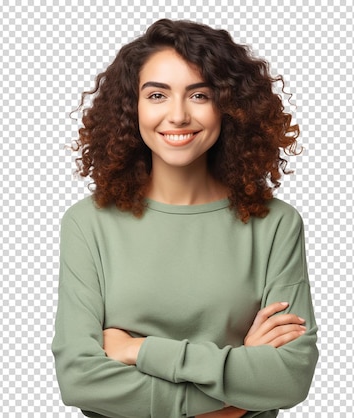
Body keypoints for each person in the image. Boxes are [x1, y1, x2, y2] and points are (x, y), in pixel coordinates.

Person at [52, 18, 319, 418]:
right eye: (157, 95)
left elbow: (289, 377)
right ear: (132, 107)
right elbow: (79, 379)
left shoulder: (275, 224)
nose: (177, 116)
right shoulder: (88, 223)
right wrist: (232, 399)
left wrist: (137, 349)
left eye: (199, 95)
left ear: (229, 107)